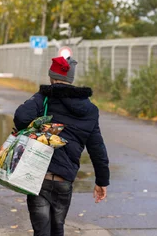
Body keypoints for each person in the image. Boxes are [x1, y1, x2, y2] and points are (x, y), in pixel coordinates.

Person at [14, 56, 110, 236]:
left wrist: (37, 128)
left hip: (38, 175)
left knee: (41, 231)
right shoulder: (90, 109)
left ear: (51, 76)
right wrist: (101, 181)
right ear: (71, 79)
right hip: (63, 179)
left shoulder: (43, 99)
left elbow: (20, 117)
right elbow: (97, 148)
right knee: (57, 229)